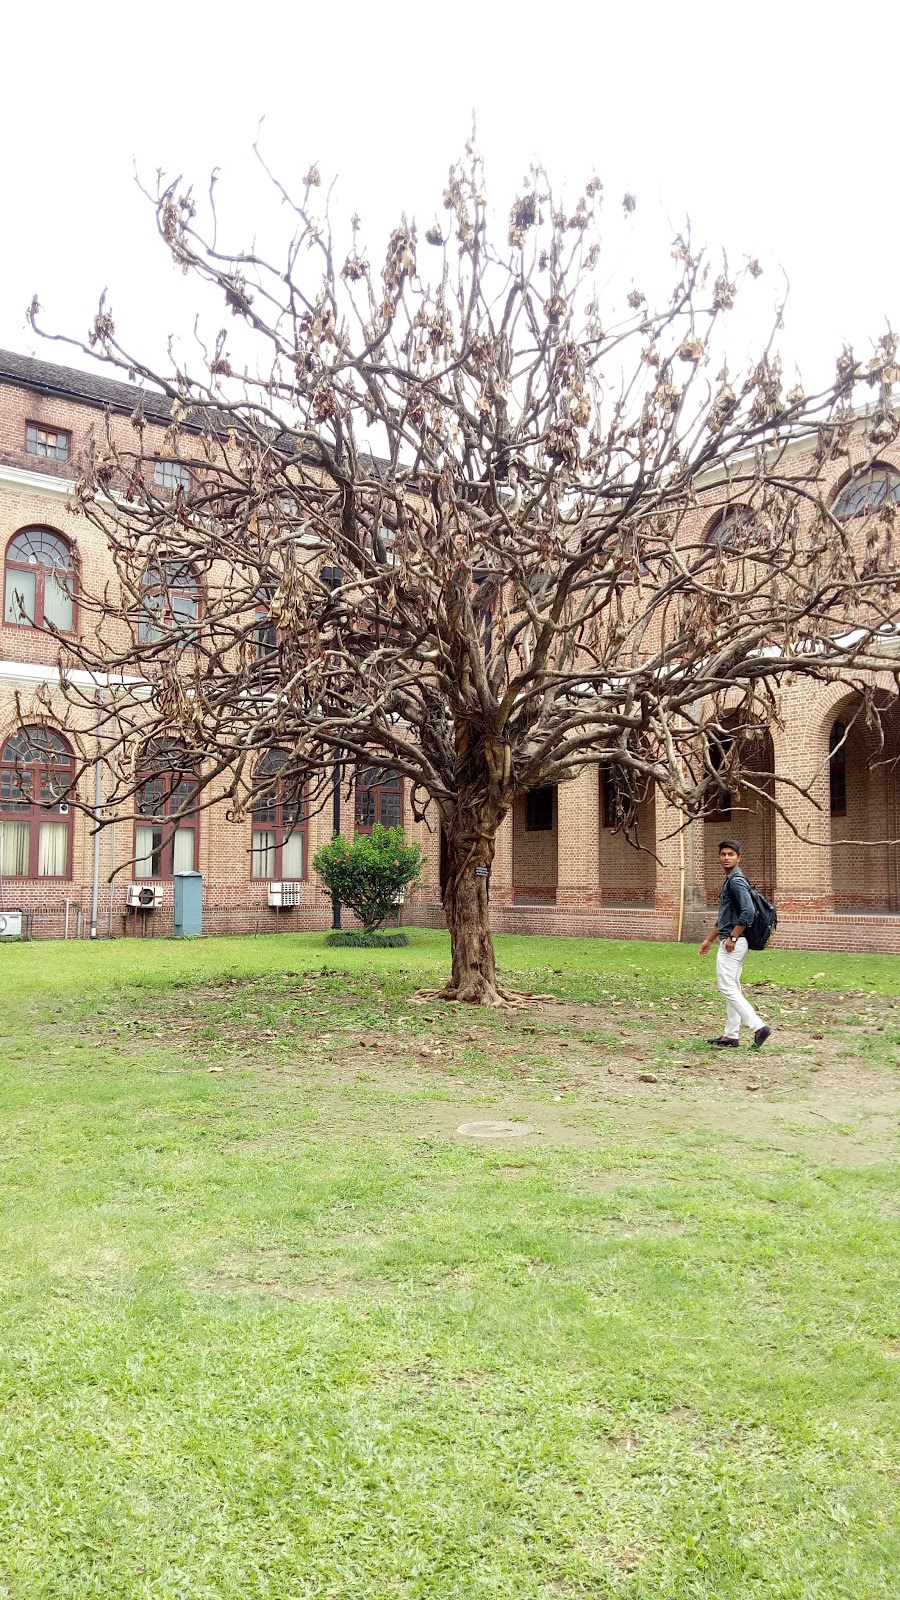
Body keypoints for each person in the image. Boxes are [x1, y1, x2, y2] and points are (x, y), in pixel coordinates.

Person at [698, 838, 772, 1048]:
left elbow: (748, 912)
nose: (726, 858)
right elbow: (725, 917)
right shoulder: (731, 880)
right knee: (733, 987)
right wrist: (709, 939)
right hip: (733, 940)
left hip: (734, 943)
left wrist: (732, 937)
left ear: (739, 858)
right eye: (723, 854)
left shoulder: (736, 881)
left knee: (726, 987)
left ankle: (758, 1027)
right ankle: (731, 1035)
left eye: (731, 854)